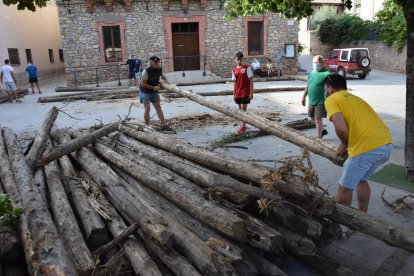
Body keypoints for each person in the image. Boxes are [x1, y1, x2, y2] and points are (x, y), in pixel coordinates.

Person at [324, 74, 392, 213]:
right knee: (361, 179)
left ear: (330, 88)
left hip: (367, 147)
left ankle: (338, 226)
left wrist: (344, 143)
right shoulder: (355, 98)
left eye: (325, 88)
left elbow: (341, 128)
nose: (325, 91)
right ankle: (362, 217)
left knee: (344, 188)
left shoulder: (331, 99)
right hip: (385, 143)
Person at [302, 55, 330, 139]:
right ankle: (322, 130)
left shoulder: (326, 73)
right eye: (314, 62)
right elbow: (308, 86)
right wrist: (303, 97)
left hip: (321, 101)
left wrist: (329, 99)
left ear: (322, 63)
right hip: (311, 100)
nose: (316, 64)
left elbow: (328, 89)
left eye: (318, 62)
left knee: (318, 119)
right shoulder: (312, 73)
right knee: (311, 117)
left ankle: (318, 139)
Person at [140, 56, 171, 130]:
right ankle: (147, 126)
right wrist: (153, 88)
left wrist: (166, 81)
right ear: (151, 63)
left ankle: (164, 125)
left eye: (158, 62)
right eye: (155, 62)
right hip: (145, 91)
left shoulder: (159, 69)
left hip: (154, 91)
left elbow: (163, 76)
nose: (157, 63)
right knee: (147, 109)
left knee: (158, 107)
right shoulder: (146, 71)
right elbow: (142, 84)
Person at [232, 51, 253, 134]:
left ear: (242, 59)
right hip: (238, 93)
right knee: (240, 110)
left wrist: (251, 93)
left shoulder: (247, 68)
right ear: (235, 60)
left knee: (243, 110)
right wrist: (234, 94)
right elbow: (234, 82)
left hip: (245, 92)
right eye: (237, 60)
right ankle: (243, 124)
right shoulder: (234, 70)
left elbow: (251, 81)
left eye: (240, 60)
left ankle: (243, 126)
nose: (239, 61)